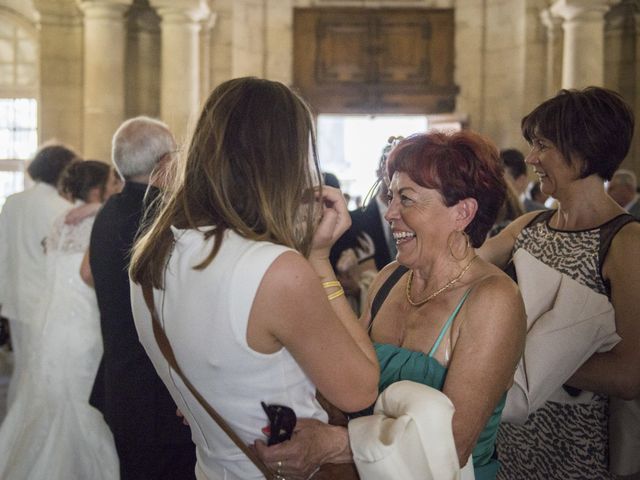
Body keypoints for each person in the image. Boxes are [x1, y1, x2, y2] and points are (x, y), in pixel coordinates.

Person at [128, 77, 379, 480]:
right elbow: (360, 389)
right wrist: (318, 259)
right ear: (287, 161)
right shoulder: (276, 270)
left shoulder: (150, 260)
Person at [257, 130, 527, 480]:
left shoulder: (494, 300)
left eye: (407, 199)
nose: (390, 213)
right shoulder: (391, 278)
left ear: (463, 212)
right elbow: (345, 374)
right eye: (391, 195)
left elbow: (454, 443)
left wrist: (335, 444)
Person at [479, 86, 639, 479]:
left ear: (584, 152)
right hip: (514, 438)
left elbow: (630, 374)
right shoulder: (528, 226)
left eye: (543, 145)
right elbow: (463, 269)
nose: (531, 158)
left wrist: (527, 356)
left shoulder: (625, 241)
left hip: (579, 451)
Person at [87, 116, 196, 480]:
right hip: (162, 396)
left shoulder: (107, 213)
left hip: (123, 389)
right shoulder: (166, 216)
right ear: (165, 162)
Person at [0, 160, 121, 479]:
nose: (116, 188)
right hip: (84, 326)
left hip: (52, 326)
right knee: (82, 401)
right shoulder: (99, 221)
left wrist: (95, 208)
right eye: (111, 183)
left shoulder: (60, 221)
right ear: (97, 189)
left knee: (50, 398)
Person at [0, 144, 77, 406]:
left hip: (15, 298)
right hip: (46, 300)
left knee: (22, 369)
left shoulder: (12, 202)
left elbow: (3, 253)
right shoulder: (60, 208)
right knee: (43, 372)